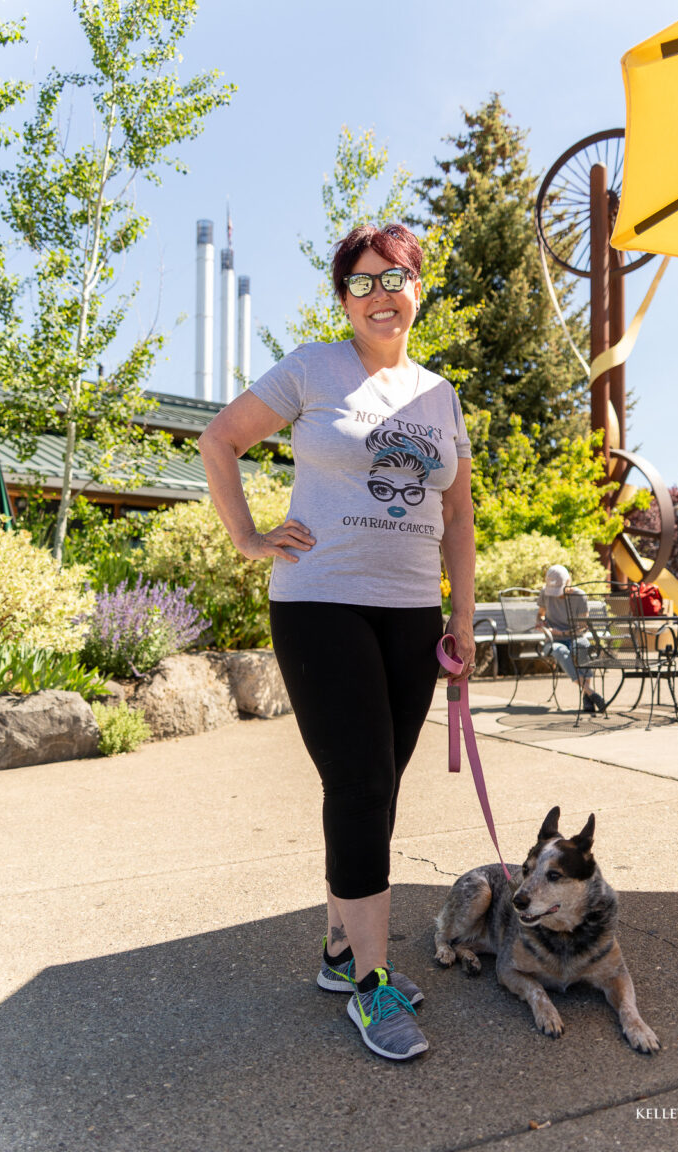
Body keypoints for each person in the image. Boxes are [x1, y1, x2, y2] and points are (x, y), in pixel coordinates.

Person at [198, 223, 475, 1061]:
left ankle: (336, 949)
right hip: (320, 602)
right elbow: (221, 441)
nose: (380, 294)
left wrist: (462, 615)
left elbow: (458, 514)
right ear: (342, 300)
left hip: (409, 611)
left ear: (417, 287)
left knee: (379, 785)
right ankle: (370, 985)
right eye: (360, 283)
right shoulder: (312, 368)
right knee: (357, 782)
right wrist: (248, 537)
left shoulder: (440, 394)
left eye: (395, 277)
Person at [535, 564, 605, 713]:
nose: (556, 595)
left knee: (582, 647)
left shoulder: (579, 596)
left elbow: (582, 627)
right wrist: (541, 623)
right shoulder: (544, 593)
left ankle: (587, 696)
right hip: (552, 641)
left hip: (575, 636)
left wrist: (562, 633)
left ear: (569, 582)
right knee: (561, 652)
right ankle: (590, 693)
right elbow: (540, 614)